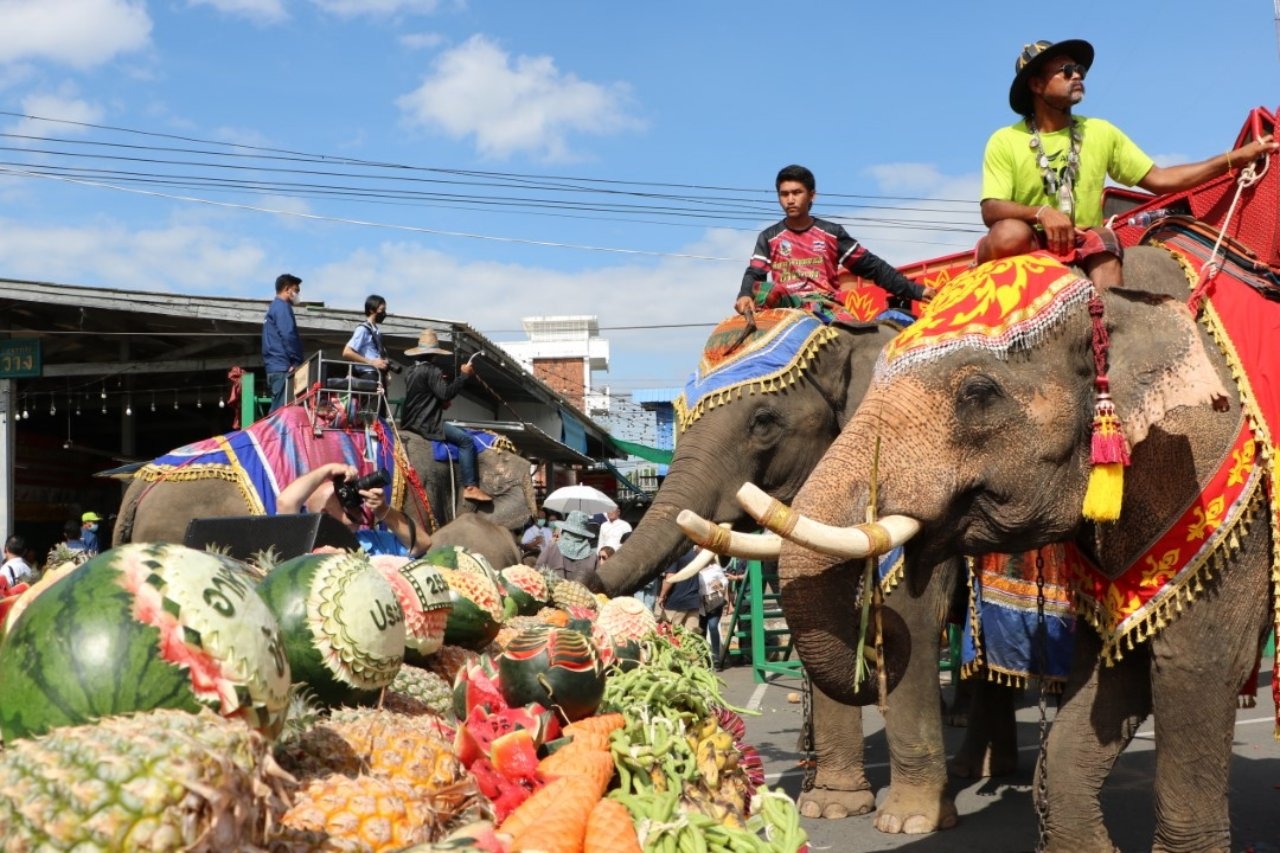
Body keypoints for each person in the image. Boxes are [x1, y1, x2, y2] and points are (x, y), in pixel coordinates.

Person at [979, 38, 1279, 287]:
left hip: (1082, 238)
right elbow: (991, 209)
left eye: (1080, 69)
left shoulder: (1100, 131)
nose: (1078, 75)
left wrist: (1233, 159)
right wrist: (1042, 213)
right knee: (1009, 233)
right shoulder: (1005, 140)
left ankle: (1105, 336)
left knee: (1106, 242)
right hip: (1029, 240)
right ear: (1035, 85)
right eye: (1066, 70)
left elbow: (1160, 180)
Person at [735, 164, 934, 324]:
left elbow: (872, 267)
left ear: (812, 195)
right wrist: (744, 295)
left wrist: (916, 291)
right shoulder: (768, 237)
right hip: (784, 310)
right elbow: (755, 272)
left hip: (826, 308)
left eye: (797, 192)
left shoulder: (831, 233)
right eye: (784, 194)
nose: (790, 199)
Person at [401, 328, 491, 503]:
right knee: (466, 441)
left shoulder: (410, 371)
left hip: (410, 421)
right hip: (427, 424)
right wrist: (464, 376)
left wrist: (439, 402)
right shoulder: (432, 370)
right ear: (434, 354)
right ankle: (470, 487)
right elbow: (445, 394)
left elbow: (424, 395)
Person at [276, 461, 428, 557]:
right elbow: (285, 503)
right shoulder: (303, 541)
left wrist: (384, 511)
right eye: (343, 497)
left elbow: (422, 544)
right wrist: (327, 471)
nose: (355, 502)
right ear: (325, 513)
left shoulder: (371, 540)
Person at [262, 273, 305, 413]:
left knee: (278, 410)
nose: (297, 294)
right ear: (287, 289)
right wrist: (296, 362)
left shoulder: (273, 307)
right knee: (281, 414)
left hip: (274, 367)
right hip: (283, 368)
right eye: (296, 291)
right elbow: (288, 335)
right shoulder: (282, 307)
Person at [535, 510, 599, 585]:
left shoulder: (552, 546)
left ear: (566, 528)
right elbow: (597, 585)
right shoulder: (592, 556)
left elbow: (537, 571)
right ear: (584, 533)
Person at [343, 294, 390, 380]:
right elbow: (347, 352)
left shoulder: (376, 331)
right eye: (382, 310)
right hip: (367, 375)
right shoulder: (363, 329)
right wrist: (371, 362)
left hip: (378, 374)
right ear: (372, 310)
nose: (384, 313)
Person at [656, 546, 703, 631]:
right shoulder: (695, 554)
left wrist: (662, 596)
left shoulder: (676, 554)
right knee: (691, 636)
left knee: (668, 634)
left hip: (676, 602)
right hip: (693, 601)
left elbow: (670, 578)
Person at [698, 556, 730, 669]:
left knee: (712, 626)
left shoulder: (715, 568)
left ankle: (716, 657)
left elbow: (725, 581)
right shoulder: (696, 570)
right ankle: (703, 657)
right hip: (700, 604)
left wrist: (719, 585)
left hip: (714, 602)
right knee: (701, 630)